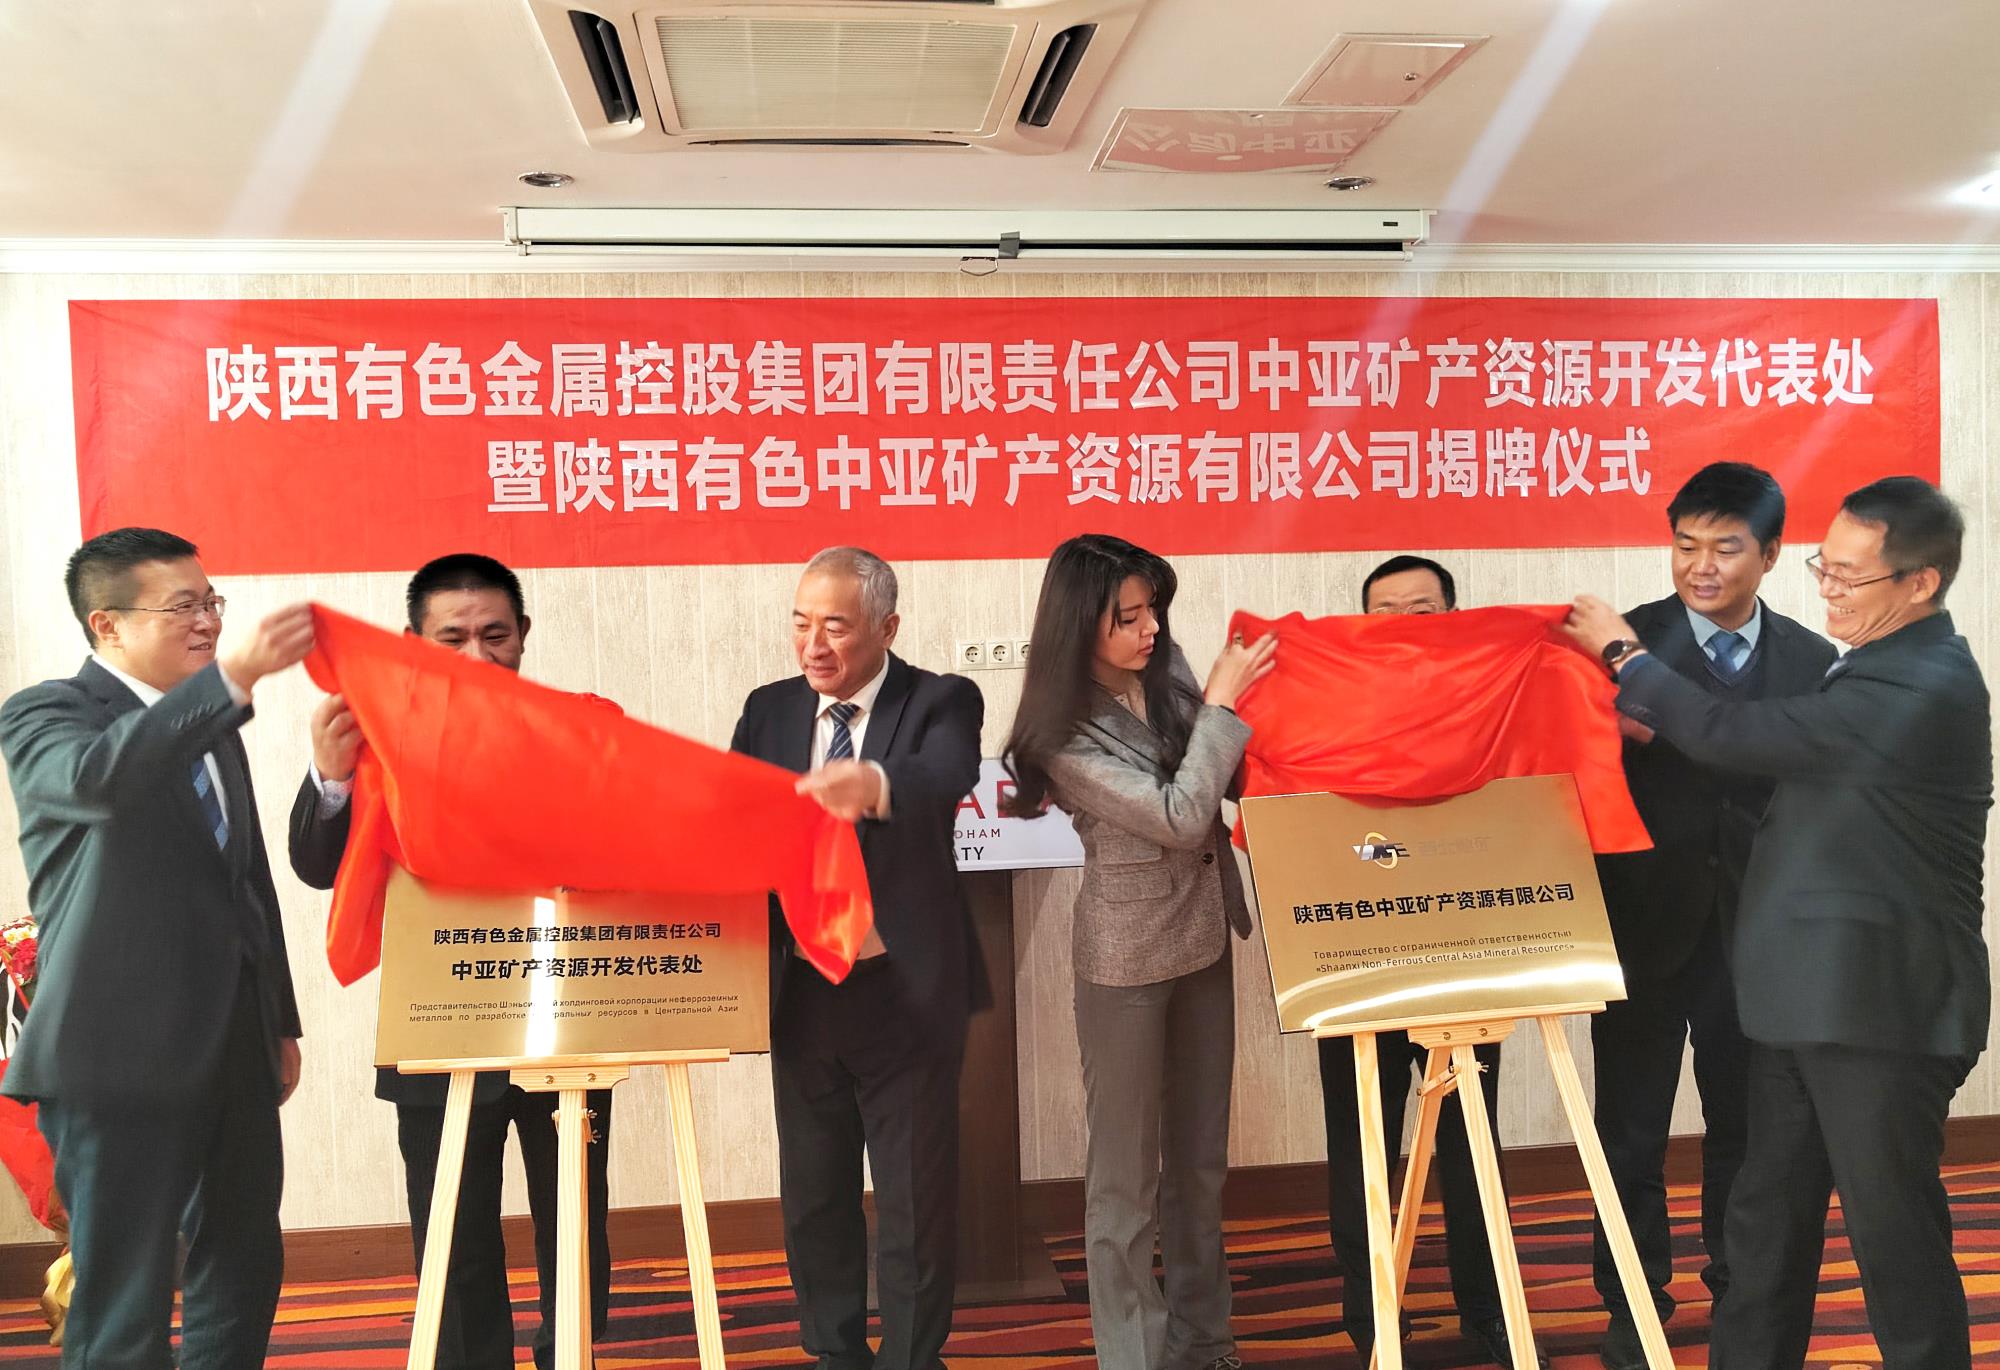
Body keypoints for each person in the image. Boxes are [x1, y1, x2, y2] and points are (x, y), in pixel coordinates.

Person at [1567, 476, 1990, 1370]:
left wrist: (1625, 659)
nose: (1828, 590)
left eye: (1848, 577)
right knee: (1766, 1228)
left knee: (1894, 1240)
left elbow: (1734, 736)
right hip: (1801, 1002)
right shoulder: (1868, 663)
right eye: (1823, 569)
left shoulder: (1923, 682)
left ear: (1921, 582)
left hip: (1879, 1012)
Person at [288, 553, 614, 1370]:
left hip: (567, 1017)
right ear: (413, 643)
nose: (477, 655)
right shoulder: (375, 738)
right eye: (453, 637)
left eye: (495, 635)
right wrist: (330, 777)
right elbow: (316, 865)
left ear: (524, 634)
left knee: (574, 1225)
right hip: (438, 1022)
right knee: (454, 1233)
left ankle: (571, 1356)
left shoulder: (578, 729)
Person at [0, 527, 312, 1370]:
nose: (209, 621)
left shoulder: (212, 725)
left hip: (234, 1046)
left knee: (243, 1261)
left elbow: (247, 883)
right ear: (106, 624)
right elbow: (99, 781)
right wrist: (228, 682)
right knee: (125, 1295)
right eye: (183, 607)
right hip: (115, 1058)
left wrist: (278, 1022)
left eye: (212, 602)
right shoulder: (46, 714)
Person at [1001, 533, 1274, 1370]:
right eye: (1127, 617)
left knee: (1199, 1164)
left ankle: (1206, 1341)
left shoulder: (1170, 672)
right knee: (1124, 1182)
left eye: (1152, 608)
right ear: (1079, 625)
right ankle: (1134, 1356)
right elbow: (1180, 817)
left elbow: (1224, 778)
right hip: (1125, 963)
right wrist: (1222, 708)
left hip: (1205, 939)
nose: (1151, 628)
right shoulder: (1060, 734)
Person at [1586, 464, 1834, 1370]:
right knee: (1629, 1134)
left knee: (1748, 1130)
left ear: (1771, 554)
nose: (1700, 566)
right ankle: (1632, 1304)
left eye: (1725, 548)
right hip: (1641, 925)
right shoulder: (1620, 646)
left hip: (1761, 938)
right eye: (1685, 545)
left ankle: (1741, 1293)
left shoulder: (1812, 661)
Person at [729, 546, 985, 1370]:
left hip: (901, 993)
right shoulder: (769, 710)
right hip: (803, 989)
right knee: (814, 1194)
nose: (814, 645)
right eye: (801, 623)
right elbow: (735, 815)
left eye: (835, 626)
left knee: (913, 1199)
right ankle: (834, 1352)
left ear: (886, 627)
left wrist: (871, 784)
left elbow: (944, 773)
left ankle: (912, 1357)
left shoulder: (940, 699)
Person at [1315, 554, 1540, 1370]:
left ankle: (1488, 1310)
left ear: (1453, 617)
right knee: (1364, 1147)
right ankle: (1374, 1319)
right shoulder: (1327, 709)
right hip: (1357, 956)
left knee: (1472, 1139)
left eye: (1424, 609)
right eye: (1387, 611)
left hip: (1463, 954)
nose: (1406, 625)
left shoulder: (1493, 704)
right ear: (1363, 625)